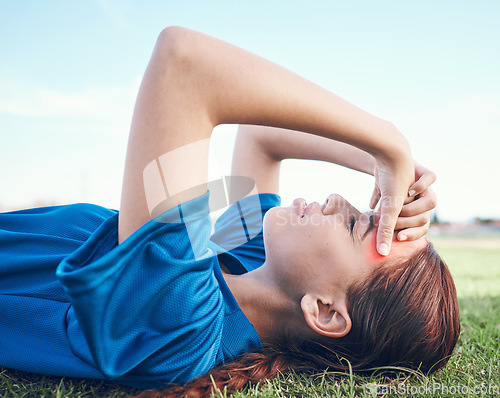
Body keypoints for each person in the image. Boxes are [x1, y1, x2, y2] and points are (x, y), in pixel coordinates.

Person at [0, 26, 459, 397]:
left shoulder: (186, 323)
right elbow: (260, 135)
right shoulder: (244, 259)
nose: (339, 201)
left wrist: (383, 140)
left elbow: (183, 64)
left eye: (356, 225)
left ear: (325, 310)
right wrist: (376, 164)